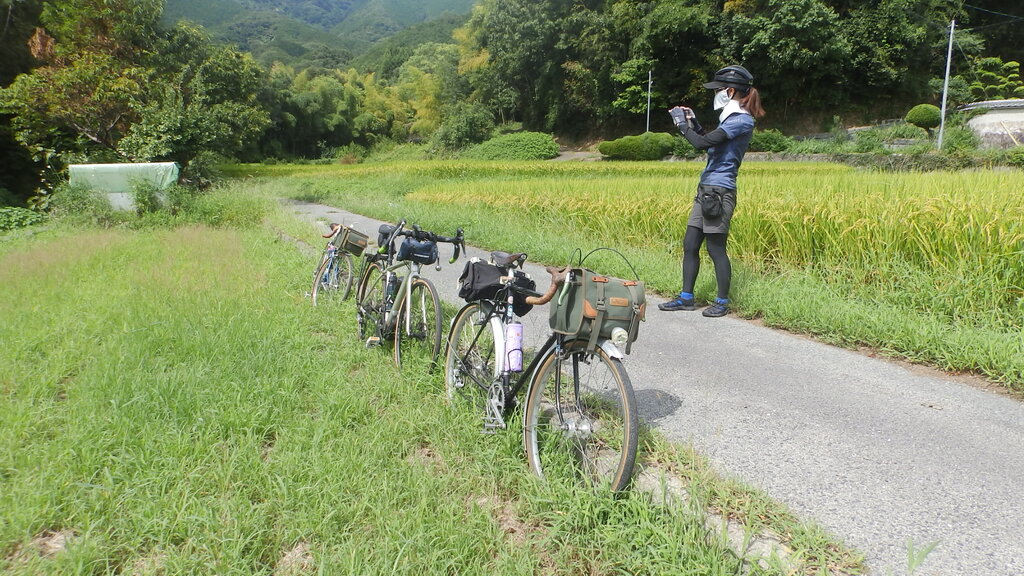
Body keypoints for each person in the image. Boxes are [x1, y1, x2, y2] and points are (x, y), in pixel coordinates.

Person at [658, 65, 765, 317]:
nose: (715, 94)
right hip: (706, 187)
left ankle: (722, 302)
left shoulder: (742, 120)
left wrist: (681, 125)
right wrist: (693, 122)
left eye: (718, 90)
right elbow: (710, 142)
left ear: (730, 91)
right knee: (690, 243)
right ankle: (686, 298)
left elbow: (701, 143)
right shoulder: (730, 118)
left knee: (715, 248)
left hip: (720, 190)